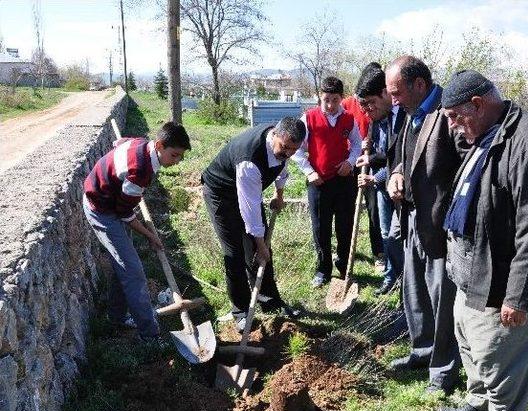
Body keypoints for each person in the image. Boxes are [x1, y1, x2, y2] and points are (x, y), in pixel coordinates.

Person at [438, 70, 528, 411]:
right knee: (471, 345)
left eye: (454, 117)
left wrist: (518, 296)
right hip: (472, 271)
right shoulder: (486, 134)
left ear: (478, 104)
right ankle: (479, 400)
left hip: (500, 283)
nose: (452, 126)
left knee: (502, 361)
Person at [385, 56, 462, 394]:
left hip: (441, 224)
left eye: (397, 92)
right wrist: (396, 174)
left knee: (441, 297)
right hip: (412, 216)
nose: (394, 100)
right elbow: (401, 154)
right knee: (414, 290)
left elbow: (465, 170)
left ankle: (443, 371)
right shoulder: (408, 112)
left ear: (419, 85)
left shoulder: (448, 113)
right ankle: (422, 351)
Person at [83, 121, 191, 342]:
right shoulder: (140, 169)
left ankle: (117, 318)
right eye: (174, 155)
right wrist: (151, 235)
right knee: (134, 272)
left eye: (181, 156)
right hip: (102, 209)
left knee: (123, 265)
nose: (177, 161)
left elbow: (120, 143)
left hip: (112, 202)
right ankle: (150, 335)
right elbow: (124, 213)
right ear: (159, 145)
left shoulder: (143, 145)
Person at [201, 117, 306, 332]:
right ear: (274, 134)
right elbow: (250, 213)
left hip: (248, 191)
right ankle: (240, 310)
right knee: (235, 252)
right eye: (285, 147)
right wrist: (260, 245)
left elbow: (282, 168)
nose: (288, 154)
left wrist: (279, 194)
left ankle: (269, 301)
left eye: (294, 150)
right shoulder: (250, 160)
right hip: (221, 194)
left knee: (261, 249)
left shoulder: (282, 146)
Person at [292, 76, 362, 287]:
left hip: (343, 182)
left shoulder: (349, 119)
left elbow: (357, 144)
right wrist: (309, 172)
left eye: (335, 100)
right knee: (320, 227)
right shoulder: (309, 118)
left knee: (344, 225)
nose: (330, 105)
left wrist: (350, 162)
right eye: (326, 100)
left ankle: (344, 266)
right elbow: (297, 149)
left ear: (342, 98)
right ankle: (323, 269)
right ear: (319, 98)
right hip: (318, 183)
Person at [353, 66, 406, 295]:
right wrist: (369, 149)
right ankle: (391, 277)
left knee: (397, 235)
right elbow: (380, 150)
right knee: (386, 233)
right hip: (382, 185)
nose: (367, 110)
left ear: (385, 93)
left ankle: (403, 279)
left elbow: (396, 157)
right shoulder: (377, 119)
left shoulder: (403, 116)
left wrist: (374, 176)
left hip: (395, 185)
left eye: (370, 103)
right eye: (363, 105)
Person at [342, 62, 384, 270]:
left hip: (372, 163)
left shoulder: (381, 105)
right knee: (348, 209)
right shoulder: (347, 104)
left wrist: (371, 145)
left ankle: (379, 253)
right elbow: (339, 134)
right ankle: (347, 250)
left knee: (374, 210)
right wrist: (355, 144)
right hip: (351, 162)